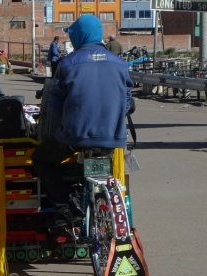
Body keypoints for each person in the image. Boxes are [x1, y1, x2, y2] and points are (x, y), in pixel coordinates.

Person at [32, 14, 133, 230]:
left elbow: (56, 105)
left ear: (79, 35)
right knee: (96, 168)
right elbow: (127, 102)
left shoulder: (69, 63)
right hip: (111, 137)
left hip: (75, 136)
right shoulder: (119, 63)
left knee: (41, 158)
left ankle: (66, 207)